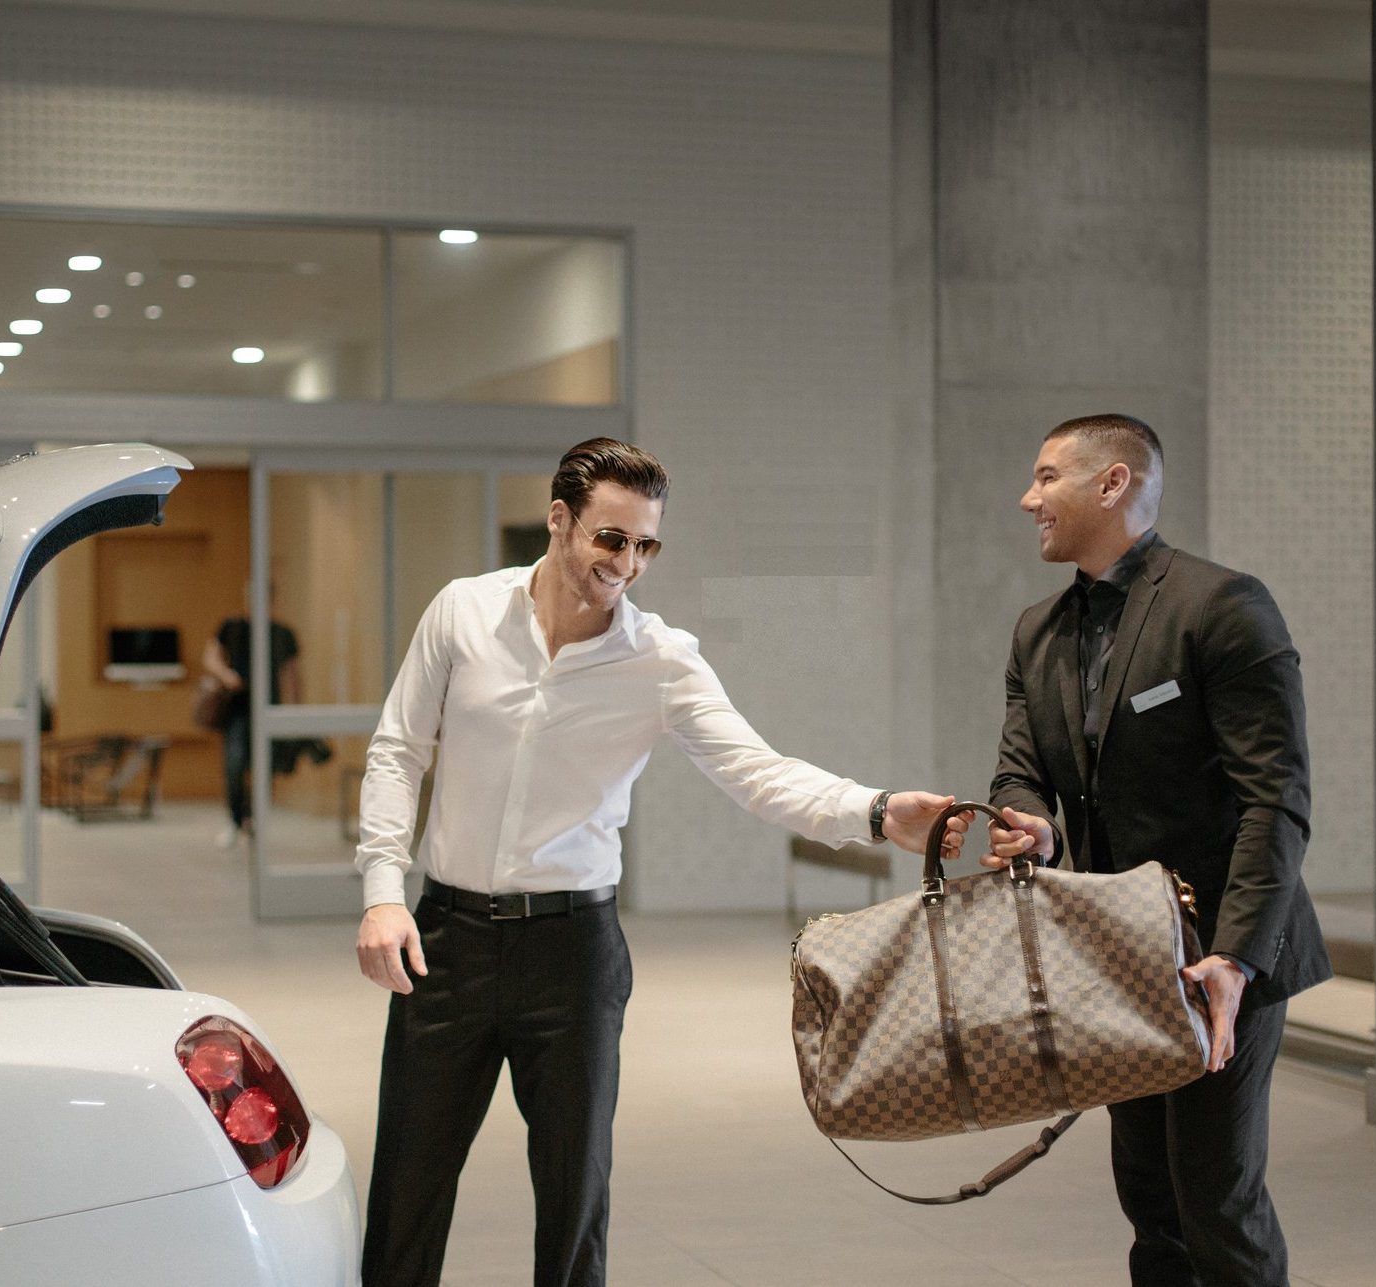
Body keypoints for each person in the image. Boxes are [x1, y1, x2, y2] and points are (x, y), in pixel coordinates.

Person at [353, 437, 964, 1287]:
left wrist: (876, 810)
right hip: (448, 940)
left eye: (647, 545)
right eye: (612, 539)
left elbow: (758, 773)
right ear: (559, 520)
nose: (628, 564)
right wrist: (383, 891)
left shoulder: (660, 659)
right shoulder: (463, 611)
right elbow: (398, 750)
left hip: (572, 954)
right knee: (406, 1192)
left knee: (574, 1200)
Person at [983, 413, 1330, 1287]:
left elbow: (1275, 800)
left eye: (1047, 476)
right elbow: (1019, 772)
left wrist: (1236, 958)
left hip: (1222, 952)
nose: (1028, 498)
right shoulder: (1036, 631)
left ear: (1113, 483)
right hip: (1119, 955)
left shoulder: (1222, 606)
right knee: (1150, 1200)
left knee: (1217, 1200)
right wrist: (1035, 822)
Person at [201, 586, 303, 847]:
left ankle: (253, 820)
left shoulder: (281, 633)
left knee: (264, 768)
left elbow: (292, 674)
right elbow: (210, 656)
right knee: (234, 765)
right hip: (238, 707)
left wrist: (295, 712)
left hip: (269, 707)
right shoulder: (233, 627)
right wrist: (226, 675)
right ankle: (236, 820)